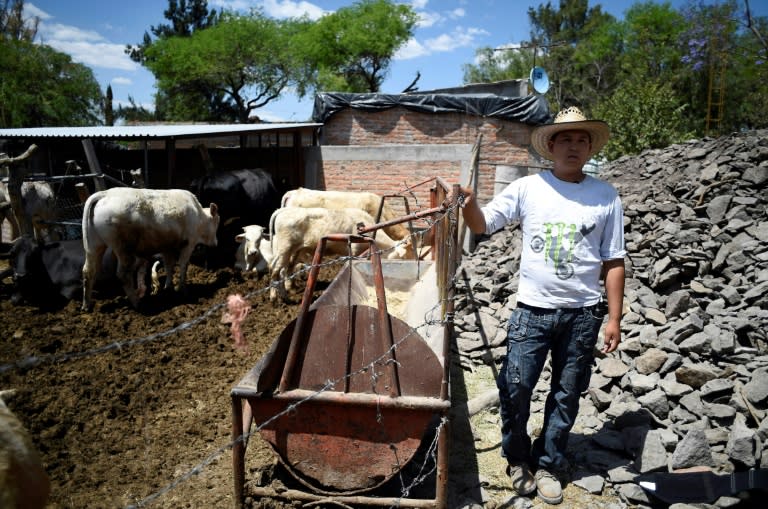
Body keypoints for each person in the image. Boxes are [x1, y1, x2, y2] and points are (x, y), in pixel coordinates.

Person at [458, 106, 626, 505]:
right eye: (565, 138)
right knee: (516, 388)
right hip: (532, 311)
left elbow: (614, 260)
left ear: (589, 147)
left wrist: (614, 317)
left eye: (581, 139)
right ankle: (518, 460)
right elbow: (483, 225)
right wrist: (467, 203)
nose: (573, 145)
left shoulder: (605, 195)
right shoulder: (529, 188)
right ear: (551, 145)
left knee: (567, 393)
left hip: (583, 314)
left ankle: (549, 461)